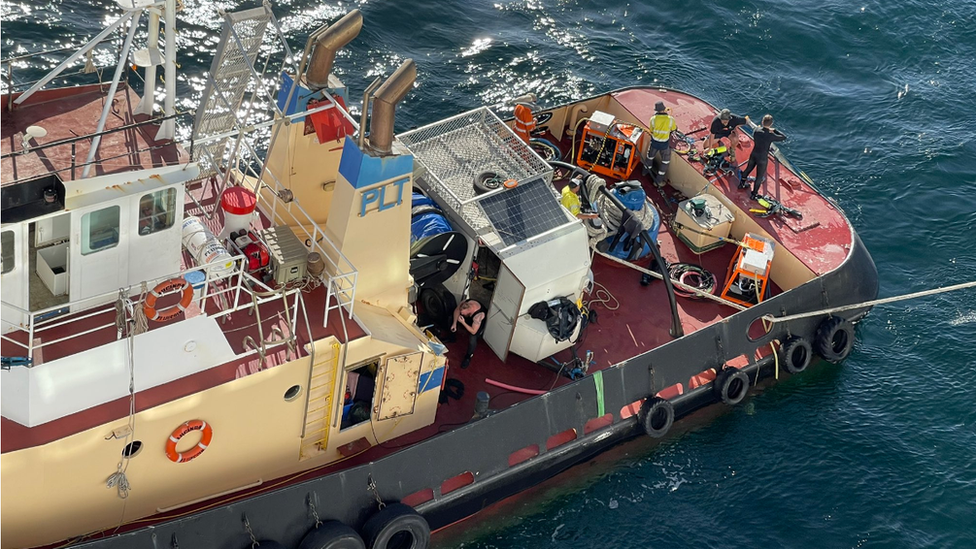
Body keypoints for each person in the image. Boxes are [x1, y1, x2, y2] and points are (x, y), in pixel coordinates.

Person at [740, 114, 787, 200]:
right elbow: (783, 137)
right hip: (762, 158)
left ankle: (741, 184)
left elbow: (757, 131)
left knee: (748, 169)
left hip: (754, 154)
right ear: (771, 124)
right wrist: (775, 130)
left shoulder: (757, 130)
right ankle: (753, 194)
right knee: (759, 177)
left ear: (762, 122)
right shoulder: (770, 135)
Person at [644, 101, 677, 186]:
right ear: (664, 109)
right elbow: (673, 129)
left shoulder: (653, 119)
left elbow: (651, 130)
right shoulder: (670, 119)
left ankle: (645, 173)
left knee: (649, 157)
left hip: (654, 142)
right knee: (665, 162)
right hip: (664, 144)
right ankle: (658, 181)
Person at [452, 299, 486, 369]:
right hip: (469, 318)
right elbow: (457, 310)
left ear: (468, 310)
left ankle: (468, 356)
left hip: (476, 326)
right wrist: (454, 323)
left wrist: (463, 322)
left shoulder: (478, 316)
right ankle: (451, 336)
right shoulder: (465, 303)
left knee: (472, 338)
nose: (462, 314)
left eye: (463, 313)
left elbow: (473, 331)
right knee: (451, 318)